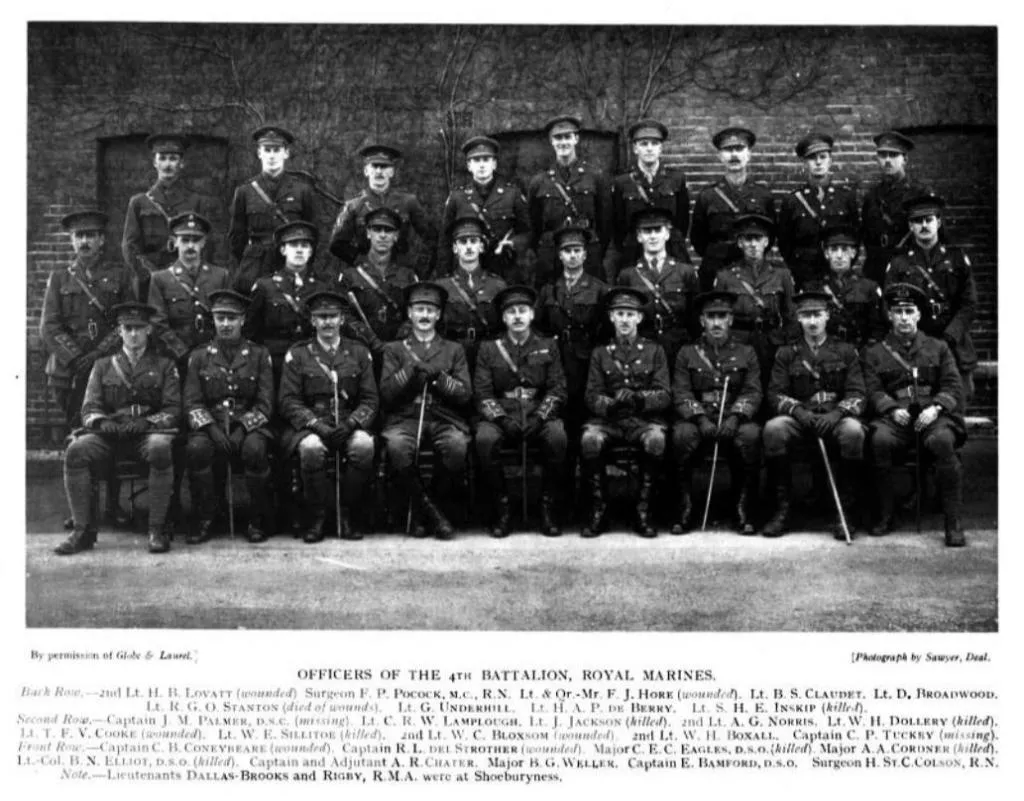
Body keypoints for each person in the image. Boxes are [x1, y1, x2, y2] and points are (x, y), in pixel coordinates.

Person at [55, 302, 180, 555]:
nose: (133, 334)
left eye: (139, 328)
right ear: (120, 332)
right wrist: (103, 423)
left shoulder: (165, 365)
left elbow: (173, 409)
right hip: (110, 436)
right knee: (76, 451)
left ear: (149, 331)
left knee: (160, 448)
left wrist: (147, 422)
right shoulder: (102, 366)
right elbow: (89, 408)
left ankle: (156, 529)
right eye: (128, 328)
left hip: (145, 434)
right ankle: (82, 531)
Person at [41, 210, 136, 528]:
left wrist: (97, 354)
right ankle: (82, 510)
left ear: (101, 240)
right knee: (77, 439)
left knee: (108, 436)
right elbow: (49, 326)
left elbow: (127, 319)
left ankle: (112, 506)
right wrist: (75, 357)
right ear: (71, 241)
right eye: (79, 236)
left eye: (91, 236)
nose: (84, 241)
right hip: (67, 375)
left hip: (108, 371)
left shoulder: (120, 276)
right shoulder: (60, 278)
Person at [862, 283, 966, 546]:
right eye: (898, 311)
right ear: (890, 316)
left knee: (942, 442)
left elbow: (953, 385)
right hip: (896, 420)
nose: (904, 317)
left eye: (910, 311)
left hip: (933, 417)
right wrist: (891, 409)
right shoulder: (874, 353)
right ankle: (885, 514)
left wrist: (936, 408)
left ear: (919, 315)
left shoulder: (938, 347)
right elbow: (872, 390)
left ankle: (952, 522)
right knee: (879, 441)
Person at [762, 291, 867, 538]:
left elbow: (858, 393)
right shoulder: (786, 354)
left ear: (827, 316)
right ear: (798, 318)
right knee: (774, 429)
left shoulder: (846, 351)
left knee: (853, 431)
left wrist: (837, 414)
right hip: (802, 419)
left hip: (835, 418)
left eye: (817, 315)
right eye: (806, 315)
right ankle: (782, 510)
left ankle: (845, 512)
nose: (812, 322)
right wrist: (799, 412)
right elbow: (775, 394)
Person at [278, 291, 378, 542]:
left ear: (342, 319)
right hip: (311, 424)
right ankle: (318, 515)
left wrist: (352, 423)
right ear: (312, 321)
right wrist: (316, 425)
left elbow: (370, 399)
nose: (327, 323)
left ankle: (346, 512)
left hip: (347, 421)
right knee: (311, 449)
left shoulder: (358, 352)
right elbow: (288, 401)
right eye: (321, 317)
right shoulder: (298, 354)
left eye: (332, 316)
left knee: (364, 446)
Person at [379, 282, 472, 540]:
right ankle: (433, 515)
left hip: (443, 417)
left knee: (456, 447)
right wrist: (409, 372)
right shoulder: (394, 350)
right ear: (409, 313)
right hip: (406, 417)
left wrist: (440, 379)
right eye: (419, 309)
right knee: (397, 447)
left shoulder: (454, 350)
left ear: (439, 315)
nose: (424, 316)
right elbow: (386, 393)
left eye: (430, 311)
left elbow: (465, 394)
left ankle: (425, 511)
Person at [474, 285, 568, 537]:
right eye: (511, 312)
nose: (517, 316)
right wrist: (502, 420)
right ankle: (502, 506)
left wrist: (541, 416)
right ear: (504, 318)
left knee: (557, 438)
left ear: (532, 315)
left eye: (522, 311)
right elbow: (483, 393)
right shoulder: (489, 348)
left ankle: (547, 507)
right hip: (502, 412)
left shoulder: (548, 346)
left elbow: (558, 388)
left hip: (538, 410)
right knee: (485, 440)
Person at [183, 290, 275, 544]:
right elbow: (192, 402)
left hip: (248, 426)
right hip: (211, 425)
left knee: (255, 450)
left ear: (243, 320)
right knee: (197, 449)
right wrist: (211, 429)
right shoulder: (199, 356)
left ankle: (257, 519)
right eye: (220, 318)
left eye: (231, 318)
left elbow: (265, 404)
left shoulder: (259, 355)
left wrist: (242, 429)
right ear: (212, 319)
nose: (225, 324)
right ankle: (206, 517)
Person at [580, 287, 671, 538]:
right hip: (609, 420)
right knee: (590, 439)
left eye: (630, 314)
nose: (624, 320)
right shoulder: (600, 353)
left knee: (655, 439)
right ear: (611, 317)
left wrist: (640, 399)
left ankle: (643, 510)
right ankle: (599, 509)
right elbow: (591, 395)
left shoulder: (655, 351)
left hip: (643, 420)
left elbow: (664, 394)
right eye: (619, 313)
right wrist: (610, 404)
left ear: (639, 318)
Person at [670, 291, 762, 535]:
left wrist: (735, 417)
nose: (717, 323)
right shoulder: (687, 353)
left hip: (733, 416)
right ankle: (685, 507)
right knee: (681, 436)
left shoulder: (746, 352)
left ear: (731, 320)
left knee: (750, 436)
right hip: (699, 417)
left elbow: (752, 392)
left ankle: (741, 506)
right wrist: (699, 419)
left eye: (722, 316)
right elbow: (681, 393)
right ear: (702, 321)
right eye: (711, 317)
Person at [883, 192, 978, 403]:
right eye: (917, 221)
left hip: (954, 342)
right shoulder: (899, 263)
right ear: (910, 226)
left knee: (957, 401)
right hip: (916, 343)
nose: (924, 225)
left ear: (939, 222)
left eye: (929, 220)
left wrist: (950, 335)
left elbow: (969, 304)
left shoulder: (956, 258)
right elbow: (888, 304)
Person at [535, 224, 611, 472]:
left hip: (587, 362)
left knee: (585, 419)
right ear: (559, 255)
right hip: (558, 363)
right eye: (567, 251)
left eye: (577, 250)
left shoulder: (600, 289)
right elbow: (540, 328)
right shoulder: (548, 290)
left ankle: (588, 481)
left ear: (586, 254)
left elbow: (607, 330)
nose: (572, 256)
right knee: (561, 420)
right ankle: (563, 481)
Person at [122, 133, 216, 300]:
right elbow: (129, 246)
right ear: (155, 162)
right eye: (162, 158)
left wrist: (193, 274)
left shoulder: (195, 201)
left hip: (186, 278)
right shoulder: (139, 203)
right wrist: (148, 275)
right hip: (149, 280)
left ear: (181, 163)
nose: (167, 164)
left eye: (173, 158)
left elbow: (206, 244)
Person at [228, 125, 317, 294]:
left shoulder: (302, 190)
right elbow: (236, 238)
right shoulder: (245, 191)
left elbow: (312, 234)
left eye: (277, 150)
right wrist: (252, 258)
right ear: (259, 153)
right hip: (256, 266)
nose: (272, 155)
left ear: (286, 153)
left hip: (291, 264)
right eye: (267, 150)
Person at [244, 220, 334, 385]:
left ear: (311, 251)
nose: (299, 249)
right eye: (293, 244)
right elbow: (250, 332)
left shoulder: (322, 288)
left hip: (312, 364)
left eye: (305, 245)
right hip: (274, 365)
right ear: (283, 249)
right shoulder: (265, 286)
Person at [527, 115, 611, 286]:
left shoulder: (595, 177)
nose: (563, 142)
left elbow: (605, 221)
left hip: (586, 249)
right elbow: (533, 225)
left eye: (567, 137)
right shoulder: (539, 182)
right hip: (551, 253)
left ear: (576, 139)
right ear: (551, 141)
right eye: (558, 138)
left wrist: (594, 245)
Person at [436, 135, 532, 284]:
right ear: (469, 165)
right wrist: (445, 275)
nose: (481, 165)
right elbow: (445, 240)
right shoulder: (457, 197)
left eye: (486, 160)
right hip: (468, 270)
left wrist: (513, 244)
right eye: (476, 160)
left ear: (494, 164)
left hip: (504, 268)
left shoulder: (512, 194)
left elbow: (527, 232)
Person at [712, 213, 796, 382]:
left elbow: (791, 314)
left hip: (772, 342)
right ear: (740, 243)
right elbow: (718, 315)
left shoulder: (781, 274)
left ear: (766, 242)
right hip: (739, 342)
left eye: (758, 239)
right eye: (748, 239)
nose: (753, 244)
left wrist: (787, 346)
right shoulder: (725, 276)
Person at [690, 127, 776, 292]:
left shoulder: (763, 195)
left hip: (752, 270)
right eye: (728, 150)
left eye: (739, 149)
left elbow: (770, 236)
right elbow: (698, 239)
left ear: (749, 154)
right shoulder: (708, 196)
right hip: (716, 269)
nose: (734, 155)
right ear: (720, 156)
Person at [329, 144, 435, 273]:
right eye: (374, 166)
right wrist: (360, 260)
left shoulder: (408, 202)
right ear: (366, 171)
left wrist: (416, 266)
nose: (379, 171)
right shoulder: (354, 206)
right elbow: (336, 244)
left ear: (392, 172)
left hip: (401, 273)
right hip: (366, 275)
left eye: (384, 167)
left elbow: (431, 237)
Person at [607, 118, 691, 280]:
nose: (649, 148)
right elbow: (617, 225)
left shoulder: (676, 179)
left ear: (661, 148)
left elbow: (682, 221)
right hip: (633, 253)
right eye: (644, 144)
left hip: (671, 249)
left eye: (654, 143)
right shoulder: (622, 182)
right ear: (635, 148)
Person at [616, 207, 700, 364]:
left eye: (657, 230)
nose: (653, 236)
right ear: (639, 237)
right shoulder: (628, 275)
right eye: (647, 231)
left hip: (678, 345)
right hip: (642, 347)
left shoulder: (685, 272)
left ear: (667, 234)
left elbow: (694, 316)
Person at [777, 133, 859, 289]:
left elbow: (855, 237)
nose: (818, 162)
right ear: (804, 163)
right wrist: (798, 269)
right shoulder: (792, 201)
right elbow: (785, 244)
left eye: (823, 157)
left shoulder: (845, 197)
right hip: (805, 275)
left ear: (830, 161)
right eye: (812, 158)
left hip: (838, 275)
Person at [337, 207, 421, 361]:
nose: (382, 235)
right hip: (359, 354)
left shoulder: (408, 275)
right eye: (377, 229)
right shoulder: (350, 276)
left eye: (388, 231)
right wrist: (369, 338)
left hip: (400, 354)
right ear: (368, 233)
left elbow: (417, 311)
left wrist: (399, 341)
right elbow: (343, 314)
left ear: (396, 236)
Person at [148, 212, 231, 364]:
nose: (190, 246)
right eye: (185, 240)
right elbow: (158, 324)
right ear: (175, 242)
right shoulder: (161, 279)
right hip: (176, 358)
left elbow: (227, 318)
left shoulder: (220, 276)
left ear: (204, 242)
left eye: (196, 240)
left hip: (213, 359)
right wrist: (183, 354)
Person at [435, 216, 507, 374]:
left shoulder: (497, 285)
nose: (468, 247)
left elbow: (504, 328)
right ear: (455, 248)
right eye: (463, 242)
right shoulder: (442, 286)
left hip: (488, 356)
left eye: (473, 241)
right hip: (454, 355)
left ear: (481, 247)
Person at [860, 130, 930, 284]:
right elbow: (867, 236)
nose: (887, 160)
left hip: (909, 267)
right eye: (883, 155)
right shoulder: (872, 196)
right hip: (876, 269)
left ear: (904, 159)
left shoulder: (919, 193)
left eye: (893, 155)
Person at [805, 223, 886, 349]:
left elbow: (878, 328)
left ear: (853, 253)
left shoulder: (869, 287)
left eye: (844, 249)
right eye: (834, 249)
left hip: (859, 352)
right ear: (826, 254)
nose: (839, 255)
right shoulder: (813, 287)